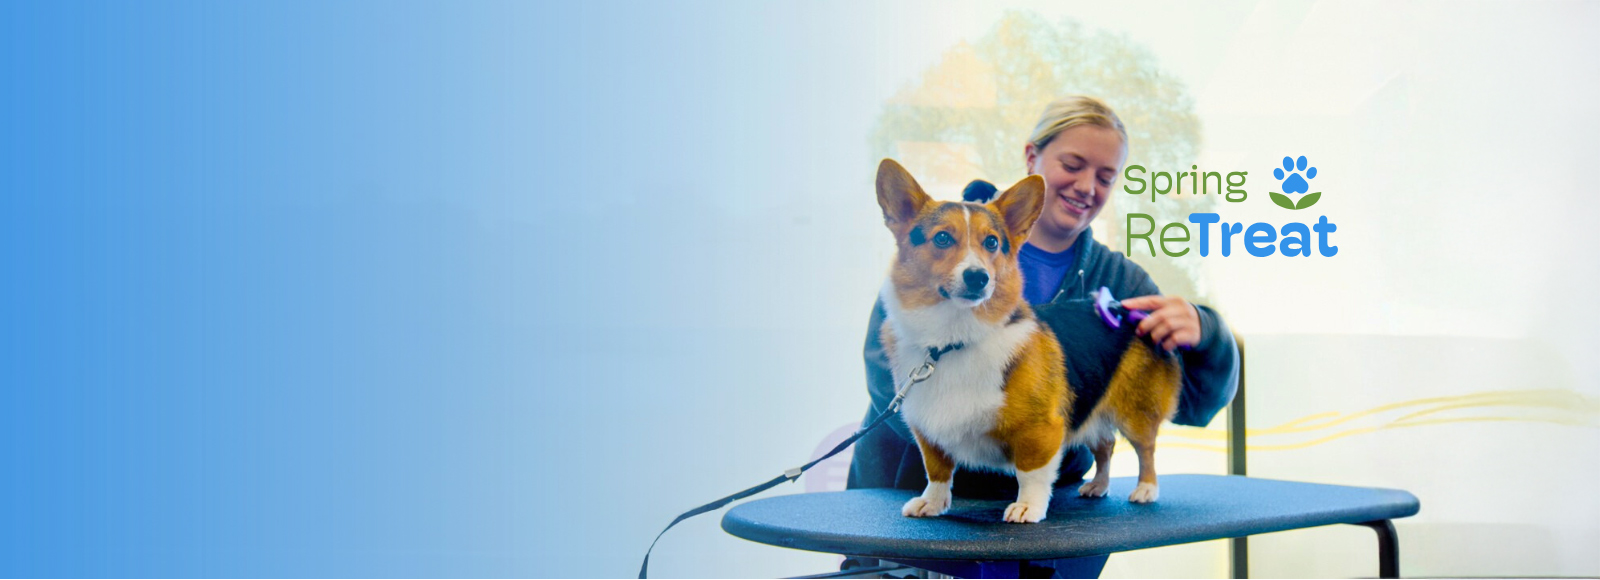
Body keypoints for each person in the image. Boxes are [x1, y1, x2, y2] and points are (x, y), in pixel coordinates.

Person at [846, 96, 1240, 499]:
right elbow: (884, 374)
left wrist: (1207, 333)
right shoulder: (930, 241)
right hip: (906, 496)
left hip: (1051, 515)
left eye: (1106, 177)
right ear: (1031, 156)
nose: (1087, 187)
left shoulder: (1119, 281)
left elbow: (1193, 405)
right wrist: (987, 439)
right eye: (1071, 165)